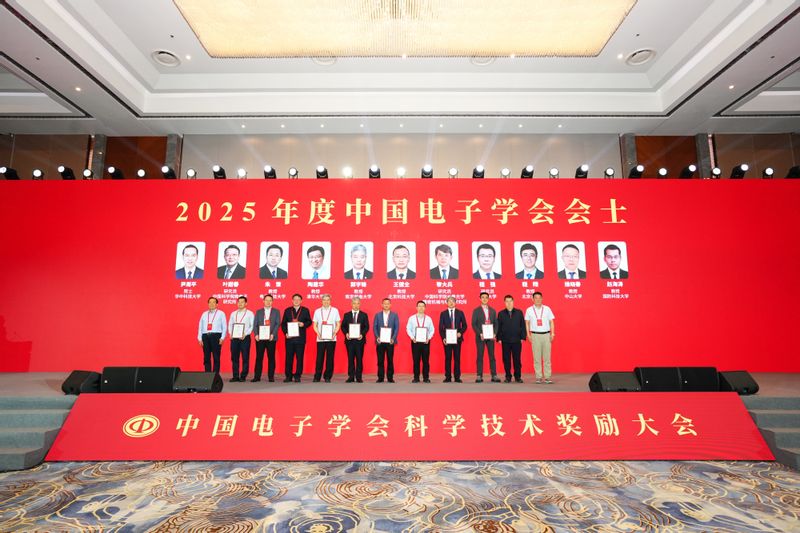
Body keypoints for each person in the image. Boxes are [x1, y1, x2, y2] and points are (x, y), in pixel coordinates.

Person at [525, 291, 556, 384]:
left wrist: (552, 333)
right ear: (532, 299)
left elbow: (551, 321)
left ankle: (547, 377)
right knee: (537, 358)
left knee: (547, 358)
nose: (538, 300)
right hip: (535, 335)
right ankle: (538, 377)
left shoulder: (547, 309)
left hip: (546, 335)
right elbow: (527, 323)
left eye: (539, 298)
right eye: (536, 298)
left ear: (542, 298)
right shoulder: (529, 310)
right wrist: (528, 334)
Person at [281, 293, 312, 382]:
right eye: (295, 299)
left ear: (301, 301)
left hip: (300, 339)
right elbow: (283, 324)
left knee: (299, 358)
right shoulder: (287, 310)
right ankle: (288, 376)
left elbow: (309, 322)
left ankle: (298, 375)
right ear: (292, 300)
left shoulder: (305, 310)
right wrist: (286, 333)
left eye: (298, 299)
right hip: (289, 338)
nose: (296, 301)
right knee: (289, 358)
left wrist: (303, 324)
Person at [471, 292, 501, 383]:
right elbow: (473, 324)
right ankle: (479, 375)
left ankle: (494, 375)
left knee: (492, 356)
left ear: (488, 299)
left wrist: (495, 333)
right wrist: (480, 333)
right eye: (483, 297)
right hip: (481, 337)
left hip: (490, 337)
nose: (484, 299)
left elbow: (496, 324)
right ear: (480, 299)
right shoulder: (476, 310)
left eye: (486, 297)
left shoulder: (493, 310)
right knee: (480, 356)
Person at [496, 294, 526, 383]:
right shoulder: (501, 313)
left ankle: (518, 377)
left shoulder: (519, 312)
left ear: (513, 302)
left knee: (517, 359)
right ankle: (508, 376)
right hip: (505, 340)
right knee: (506, 360)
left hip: (517, 340)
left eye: (510, 301)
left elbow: (522, 325)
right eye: (507, 301)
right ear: (504, 303)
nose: (509, 303)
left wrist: (522, 337)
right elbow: (499, 327)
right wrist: (499, 338)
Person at [312, 294, 340, 382]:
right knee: (319, 358)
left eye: (328, 300)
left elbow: (338, 323)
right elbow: (314, 324)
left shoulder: (335, 310)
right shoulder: (317, 311)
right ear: (321, 301)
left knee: (330, 358)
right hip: (320, 338)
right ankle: (317, 376)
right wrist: (318, 333)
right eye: (324, 300)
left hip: (331, 339)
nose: (326, 301)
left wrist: (334, 333)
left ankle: (327, 376)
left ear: (330, 301)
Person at [438, 296, 467, 382]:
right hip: (447, 339)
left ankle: (457, 377)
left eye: (453, 301)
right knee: (448, 358)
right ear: (447, 303)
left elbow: (465, 325)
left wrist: (460, 333)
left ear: (455, 303)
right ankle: (448, 377)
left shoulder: (460, 312)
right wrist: (443, 338)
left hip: (457, 339)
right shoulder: (443, 313)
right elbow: (441, 328)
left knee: (457, 358)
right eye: (449, 301)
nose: (451, 303)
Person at [253, 293, 281, 382]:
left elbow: (277, 324)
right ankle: (257, 377)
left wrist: (273, 334)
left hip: (271, 338)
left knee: (271, 357)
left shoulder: (276, 311)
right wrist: (256, 334)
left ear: (272, 302)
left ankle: (271, 376)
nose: (268, 302)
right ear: (263, 301)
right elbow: (255, 324)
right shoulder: (259, 311)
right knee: (259, 357)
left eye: (270, 300)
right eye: (266, 300)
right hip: (260, 338)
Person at [341, 297, 369, 382]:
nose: (356, 305)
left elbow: (367, 327)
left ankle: (359, 377)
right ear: (351, 304)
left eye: (358, 303)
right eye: (354, 303)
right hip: (349, 341)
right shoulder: (347, 315)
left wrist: (362, 334)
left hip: (360, 340)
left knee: (359, 359)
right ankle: (351, 376)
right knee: (350, 359)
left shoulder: (364, 315)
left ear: (360, 304)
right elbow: (343, 326)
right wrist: (346, 333)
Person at [406, 300, 435, 383]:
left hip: (426, 342)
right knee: (416, 361)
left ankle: (426, 378)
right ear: (416, 307)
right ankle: (416, 378)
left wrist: (428, 338)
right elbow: (408, 329)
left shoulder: (428, 319)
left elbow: (432, 330)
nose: (421, 308)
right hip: (415, 342)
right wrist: (412, 337)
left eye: (423, 306)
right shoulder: (412, 318)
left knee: (426, 361)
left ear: (425, 308)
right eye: (419, 306)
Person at [373, 297, 400, 383]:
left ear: (390, 305)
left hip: (390, 341)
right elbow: (374, 327)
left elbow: (396, 328)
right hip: (380, 341)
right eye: (384, 303)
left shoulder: (394, 315)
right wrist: (377, 337)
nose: (386, 305)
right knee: (380, 360)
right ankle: (380, 377)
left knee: (390, 360)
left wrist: (393, 338)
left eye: (388, 303)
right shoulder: (377, 315)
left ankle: (390, 377)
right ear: (382, 305)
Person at [228, 296, 254, 382]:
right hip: (234, 338)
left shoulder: (250, 313)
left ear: (246, 303)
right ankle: (235, 376)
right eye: (239, 302)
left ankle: (243, 376)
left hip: (245, 338)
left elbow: (252, 326)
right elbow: (230, 324)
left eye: (242, 302)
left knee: (245, 357)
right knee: (234, 357)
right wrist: (230, 333)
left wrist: (245, 334)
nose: (240, 303)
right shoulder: (233, 313)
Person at [197, 296, 225, 373]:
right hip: (205, 336)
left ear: (217, 304)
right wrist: (199, 338)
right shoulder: (204, 314)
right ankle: (207, 374)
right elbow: (200, 326)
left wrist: (222, 337)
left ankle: (215, 375)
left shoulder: (221, 313)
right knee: (206, 357)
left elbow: (224, 326)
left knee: (216, 357)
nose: (211, 304)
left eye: (213, 302)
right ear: (208, 304)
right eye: (210, 302)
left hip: (216, 336)